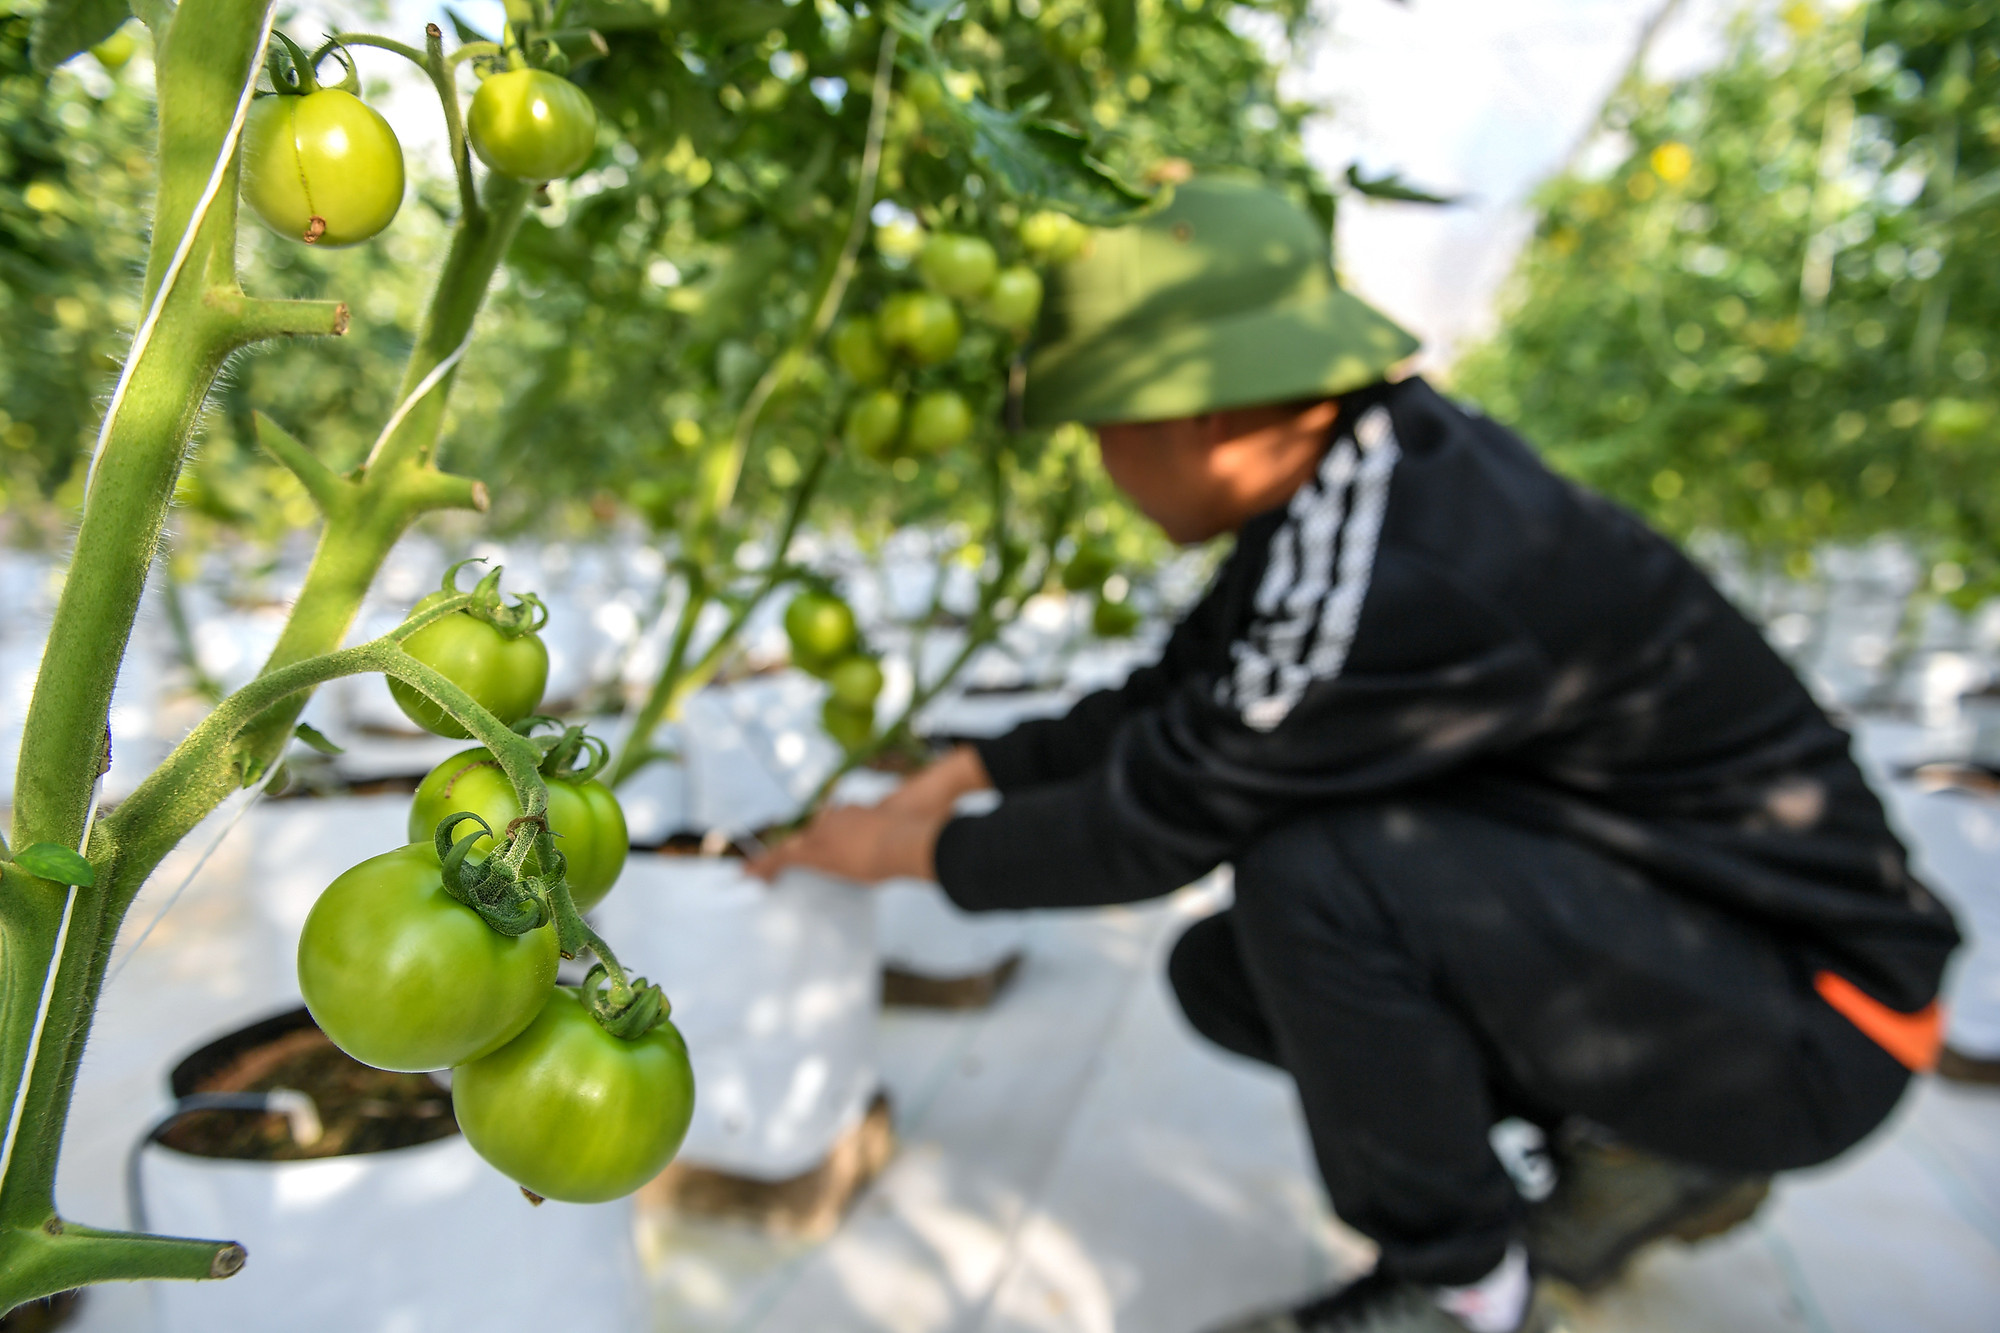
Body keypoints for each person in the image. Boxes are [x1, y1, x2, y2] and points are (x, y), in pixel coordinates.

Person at [749, 177, 1960, 1333]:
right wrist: (969, 773)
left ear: (1197, 415)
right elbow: (1182, 692)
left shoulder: (1402, 560)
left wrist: (898, 851)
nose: (1104, 465)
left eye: (1104, 427)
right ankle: (1641, 1149)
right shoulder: (1361, 484)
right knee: (1232, 969)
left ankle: (1464, 1290)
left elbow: (1157, 822)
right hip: (1723, 965)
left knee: (1313, 876)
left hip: (1819, 1016)